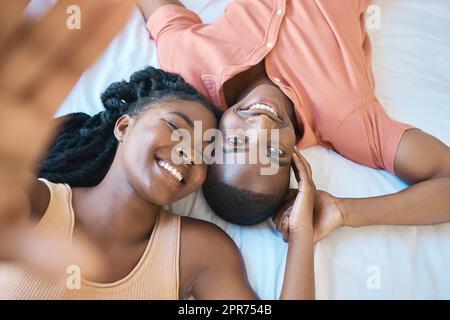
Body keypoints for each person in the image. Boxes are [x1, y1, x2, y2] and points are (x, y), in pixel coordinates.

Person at [137, 0, 450, 240]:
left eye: (236, 142)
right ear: (295, 160)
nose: (262, 126)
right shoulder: (347, 119)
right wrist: (344, 210)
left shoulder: (192, 65)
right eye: (274, 153)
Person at [0, 66, 316, 300]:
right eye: (173, 126)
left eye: (203, 152)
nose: (187, 152)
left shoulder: (199, 253)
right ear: (124, 127)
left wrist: (302, 234)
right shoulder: (34, 204)